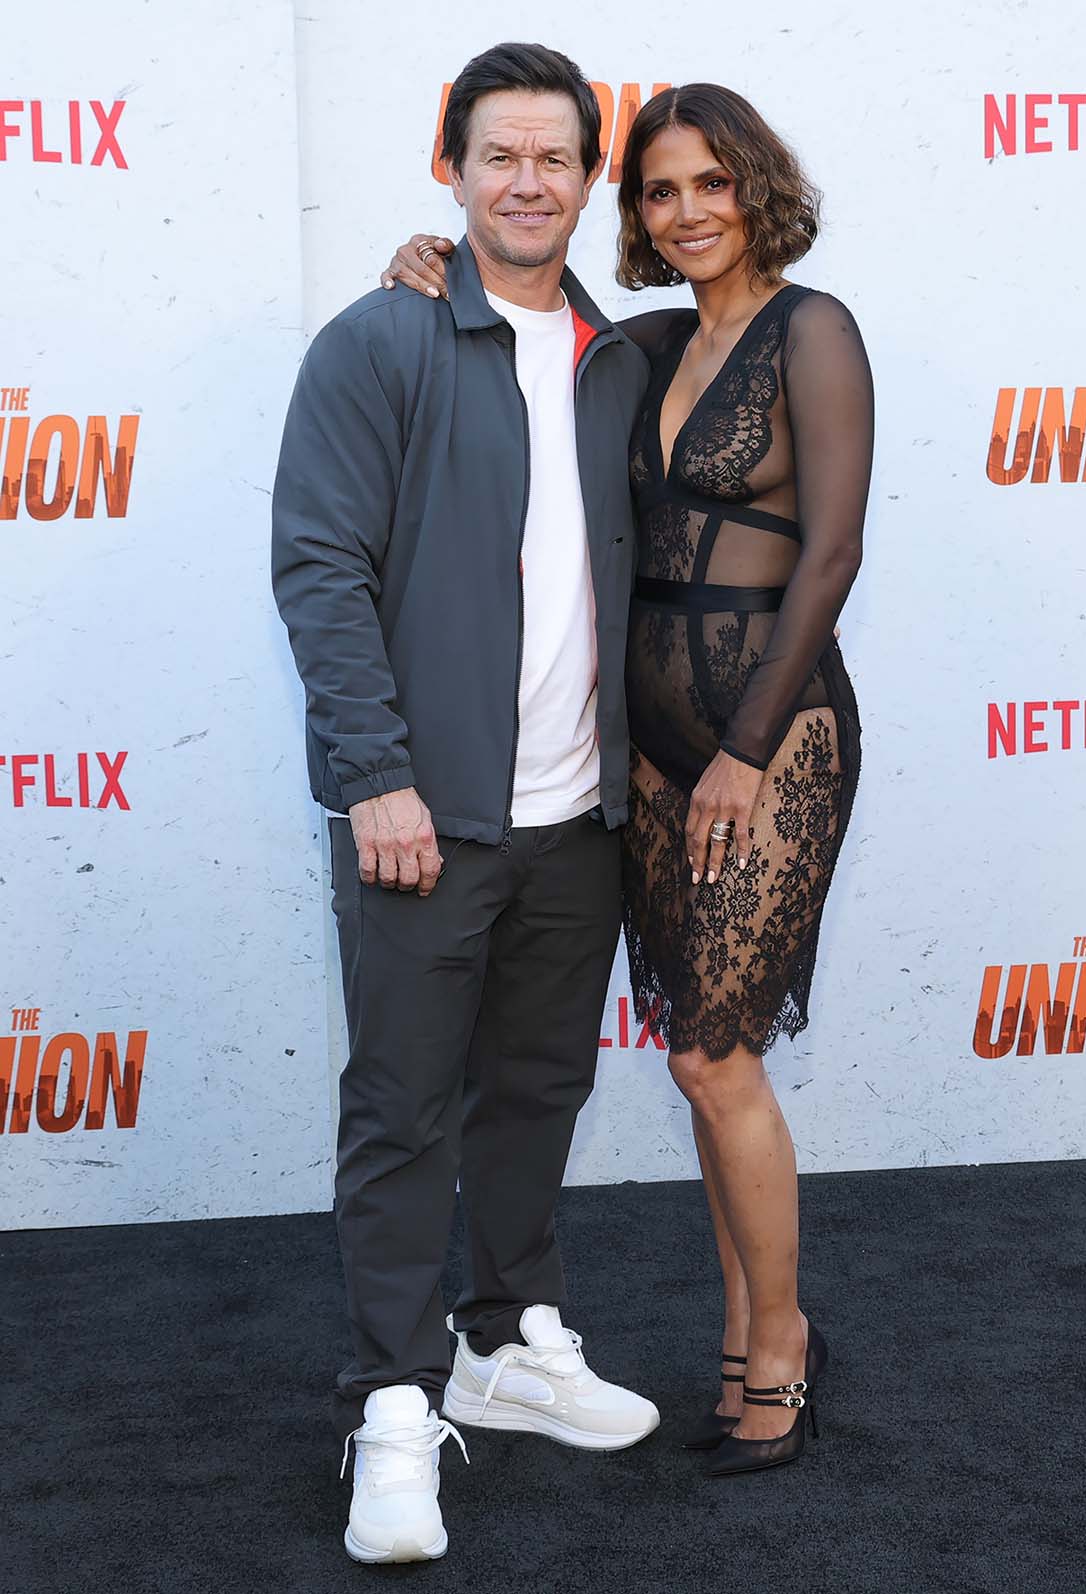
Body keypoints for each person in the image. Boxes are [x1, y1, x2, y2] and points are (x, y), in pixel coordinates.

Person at [384, 81, 873, 1480]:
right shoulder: (649, 340)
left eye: (712, 183)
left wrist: (742, 751)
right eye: (659, 190)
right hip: (649, 763)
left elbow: (827, 560)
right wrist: (422, 266)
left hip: (766, 750)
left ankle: (780, 1351)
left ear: (755, 186)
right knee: (701, 1055)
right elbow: (526, 322)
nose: (687, 211)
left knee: (716, 1055)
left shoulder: (812, 330)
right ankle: (741, 1334)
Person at [271, 42, 660, 1567]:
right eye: (499, 154)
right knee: (400, 1112)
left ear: (589, 174)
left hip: (578, 825)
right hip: (423, 817)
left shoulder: (618, 359)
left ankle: (504, 1341)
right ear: (452, 163)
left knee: (535, 1094)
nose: (528, 181)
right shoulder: (381, 342)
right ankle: (388, 1402)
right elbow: (320, 565)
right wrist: (374, 771)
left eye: (556, 156)